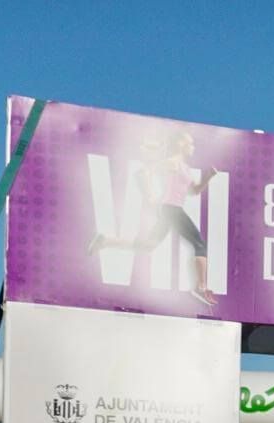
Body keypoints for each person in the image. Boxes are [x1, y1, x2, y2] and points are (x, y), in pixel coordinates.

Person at [87, 129, 219, 305]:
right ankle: (201, 288)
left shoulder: (184, 168)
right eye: (190, 143)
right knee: (199, 244)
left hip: (170, 210)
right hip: (171, 209)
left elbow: (194, 191)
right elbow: (144, 173)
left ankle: (105, 241)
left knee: (148, 245)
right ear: (180, 144)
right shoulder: (172, 163)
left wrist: (208, 178)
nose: (193, 147)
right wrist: (149, 195)